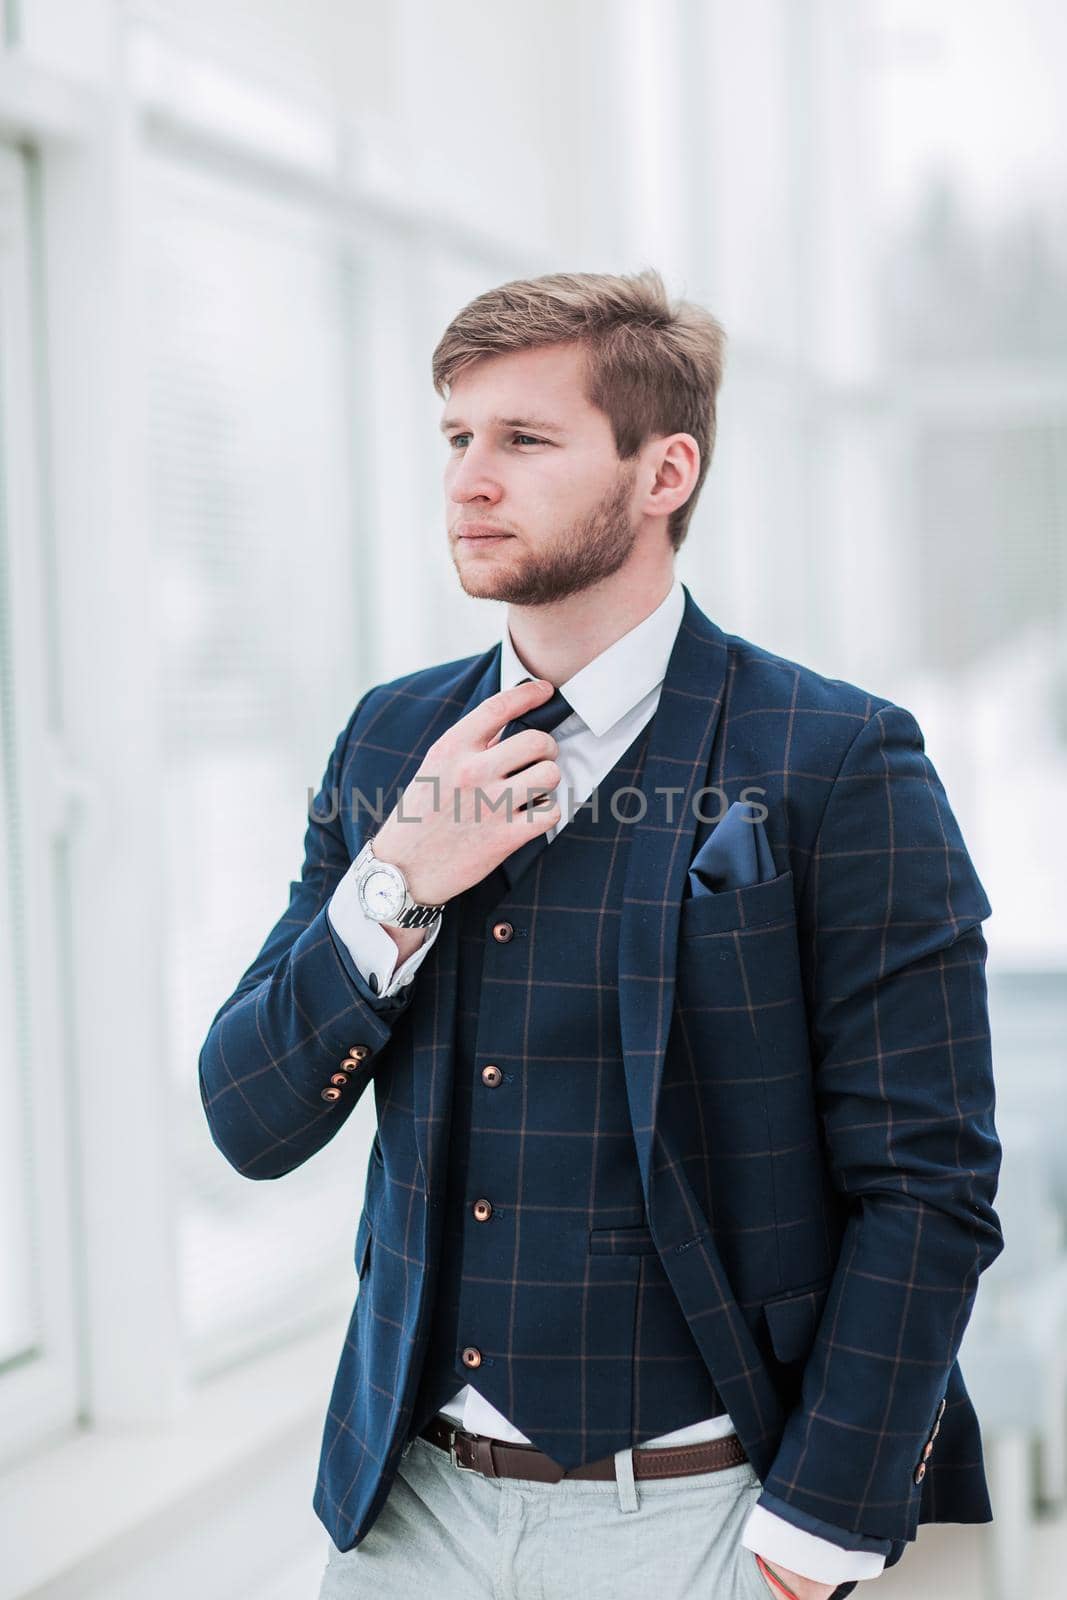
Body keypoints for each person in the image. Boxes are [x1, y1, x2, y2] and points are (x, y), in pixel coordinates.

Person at [198, 269, 1003, 1600]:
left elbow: (929, 1183)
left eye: (524, 440)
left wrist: (809, 1539)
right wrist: (400, 875)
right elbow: (248, 1118)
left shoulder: (839, 759)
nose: (468, 479)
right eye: (456, 438)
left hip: (705, 1514)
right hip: (412, 1518)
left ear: (663, 470)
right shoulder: (392, 741)